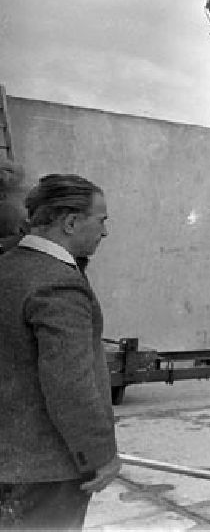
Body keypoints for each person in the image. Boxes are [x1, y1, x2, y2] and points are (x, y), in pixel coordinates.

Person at [0, 174, 121, 529]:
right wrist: (99, 454)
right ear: (70, 222)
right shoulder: (57, 283)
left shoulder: (7, 267)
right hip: (45, 471)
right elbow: (70, 384)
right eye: (101, 221)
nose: (104, 232)